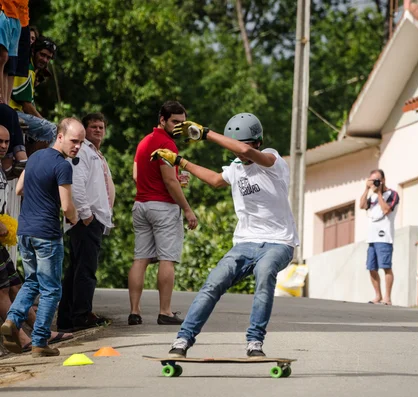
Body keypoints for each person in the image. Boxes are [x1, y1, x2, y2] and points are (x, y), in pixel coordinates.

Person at [151, 112, 298, 358]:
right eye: (236, 151)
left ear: (258, 142)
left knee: (264, 276)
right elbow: (216, 180)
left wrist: (206, 133)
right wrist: (179, 161)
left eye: (245, 148)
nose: (240, 154)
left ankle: (254, 342)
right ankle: (182, 341)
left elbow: (246, 150)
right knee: (213, 283)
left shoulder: (273, 160)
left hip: (278, 243)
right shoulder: (236, 168)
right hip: (244, 243)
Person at [0, 118, 82, 357]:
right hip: (46, 234)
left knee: (32, 281)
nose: (77, 146)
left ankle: (12, 321)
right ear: (60, 136)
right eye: (73, 141)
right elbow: (67, 207)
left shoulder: (34, 158)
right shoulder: (63, 166)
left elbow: (18, 189)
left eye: (81, 142)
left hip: (25, 231)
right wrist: (75, 218)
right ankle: (40, 341)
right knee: (51, 289)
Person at [128, 101, 198, 326]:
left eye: (182, 123)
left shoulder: (144, 142)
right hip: (163, 208)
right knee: (167, 259)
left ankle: (135, 311)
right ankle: (165, 311)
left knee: (140, 258)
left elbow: (137, 176)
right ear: (162, 120)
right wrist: (187, 209)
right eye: (174, 122)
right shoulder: (167, 145)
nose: (178, 127)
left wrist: (174, 181)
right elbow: (168, 180)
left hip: (141, 205)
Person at [57, 113, 115, 332]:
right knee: (85, 270)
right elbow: (77, 184)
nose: (98, 130)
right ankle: (80, 315)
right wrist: (85, 213)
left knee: (78, 269)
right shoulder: (83, 152)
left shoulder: (95, 153)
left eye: (101, 127)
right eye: (93, 127)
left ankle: (69, 316)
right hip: (86, 220)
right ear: (84, 130)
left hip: (95, 218)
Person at [10, 36, 57, 150]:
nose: (45, 60)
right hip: (13, 112)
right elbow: (26, 106)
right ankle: (39, 164)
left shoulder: (31, 69)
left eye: (48, 58)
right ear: (33, 51)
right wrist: (44, 121)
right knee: (53, 130)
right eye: (42, 55)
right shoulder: (27, 68)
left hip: (17, 113)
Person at [359, 169, 399, 306]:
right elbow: (362, 205)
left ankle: (387, 298)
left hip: (384, 237)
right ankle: (378, 295)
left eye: (377, 180)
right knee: (371, 267)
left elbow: (386, 210)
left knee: (386, 266)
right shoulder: (372, 196)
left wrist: (380, 193)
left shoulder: (392, 194)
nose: (375, 183)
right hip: (371, 237)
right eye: (372, 181)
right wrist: (366, 189)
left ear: (383, 180)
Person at [0, 2, 21, 104]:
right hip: (5, 14)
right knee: (3, 58)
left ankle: (6, 102)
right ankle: (3, 99)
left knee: (10, 63)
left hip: (17, 16)